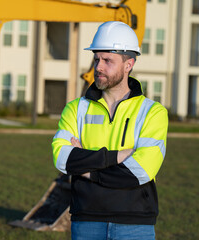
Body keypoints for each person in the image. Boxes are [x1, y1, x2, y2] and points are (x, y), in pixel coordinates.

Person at [52, 21, 168, 240]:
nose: (98, 67)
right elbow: (63, 159)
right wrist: (120, 156)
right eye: (96, 59)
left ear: (129, 64)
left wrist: (86, 169)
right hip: (86, 219)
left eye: (107, 60)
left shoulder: (152, 112)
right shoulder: (75, 108)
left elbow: (140, 171)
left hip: (135, 223)